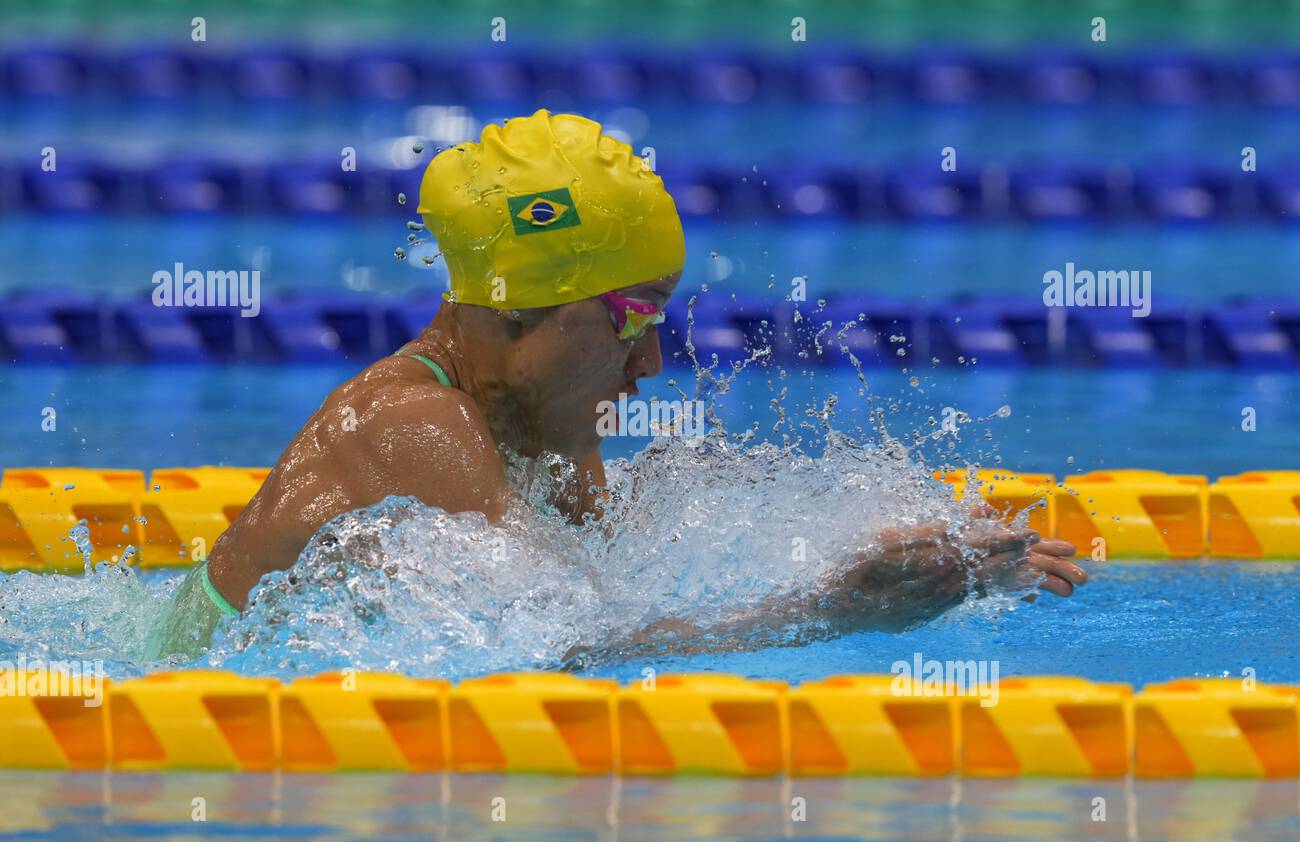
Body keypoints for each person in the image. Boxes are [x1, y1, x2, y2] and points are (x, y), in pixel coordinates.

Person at [150, 109, 1086, 657]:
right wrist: (837, 609)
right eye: (631, 320)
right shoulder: (414, 424)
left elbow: (605, 589)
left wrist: (876, 550)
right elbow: (566, 654)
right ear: (520, 310)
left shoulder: (533, 418)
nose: (651, 363)